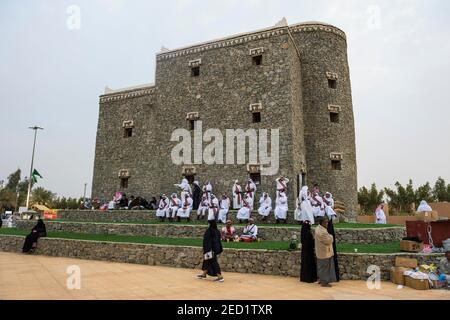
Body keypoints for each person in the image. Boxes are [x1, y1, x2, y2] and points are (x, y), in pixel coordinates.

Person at [314, 216, 337, 287]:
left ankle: (321, 280)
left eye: (327, 222)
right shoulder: (322, 231)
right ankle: (324, 282)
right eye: (325, 222)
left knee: (321, 267)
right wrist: (331, 236)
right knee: (324, 268)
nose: (327, 224)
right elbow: (328, 240)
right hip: (324, 252)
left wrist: (329, 236)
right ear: (321, 223)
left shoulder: (319, 228)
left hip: (322, 252)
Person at [300, 219, 317, 283]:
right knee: (309, 264)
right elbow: (311, 243)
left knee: (305, 263)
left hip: (304, 251)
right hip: (309, 252)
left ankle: (304, 277)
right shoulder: (308, 233)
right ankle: (309, 278)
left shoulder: (303, 233)